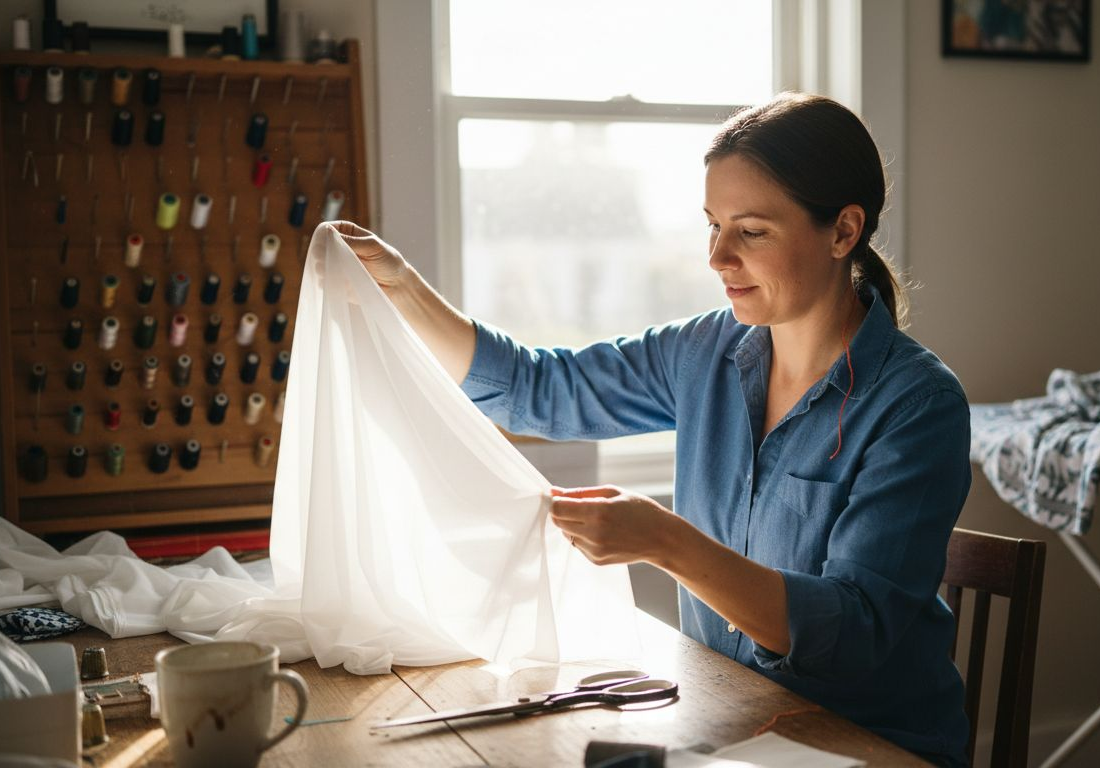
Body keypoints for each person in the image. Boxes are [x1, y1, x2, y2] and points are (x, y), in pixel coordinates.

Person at [334, 92, 972, 767]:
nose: (717, 256)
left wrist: (665, 540)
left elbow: (853, 632)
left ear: (843, 232)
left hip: (873, 748)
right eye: (712, 225)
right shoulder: (705, 351)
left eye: (750, 231)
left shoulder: (917, 405)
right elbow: (537, 390)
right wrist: (403, 287)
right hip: (737, 726)